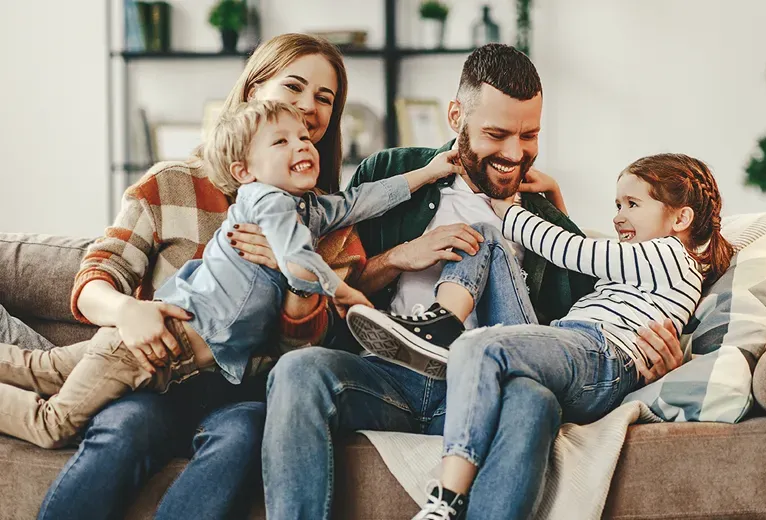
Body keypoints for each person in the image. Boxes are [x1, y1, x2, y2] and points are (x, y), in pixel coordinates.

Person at [261, 43, 689, 520]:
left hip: (486, 388)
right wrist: (399, 257)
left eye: (529, 135)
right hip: (390, 376)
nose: (514, 153)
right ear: (455, 116)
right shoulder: (390, 172)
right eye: (496, 133)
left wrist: (660, 358)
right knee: (299, 373)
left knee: (534, 399)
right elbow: (335, 283)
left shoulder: (544, 219)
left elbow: (587, 334)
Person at [28, 33, 361, 520]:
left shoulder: (326, 223)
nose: (309, 106)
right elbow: (96, 278)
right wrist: (128, 310)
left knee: (242, 438)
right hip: (154, 378)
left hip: (242, 391)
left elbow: (304, 358)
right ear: (253, 91)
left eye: (324, 98)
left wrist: (289, 269)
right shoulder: (171, 181)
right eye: (294, 87)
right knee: (123, 430)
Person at [0, 99, 461, 449]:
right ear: (245, 171)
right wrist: (345, 293)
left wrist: (428, 171)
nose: (302, 145)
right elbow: (297, 257)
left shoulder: (307, 207)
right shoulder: (267, 200)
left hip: (165, 357)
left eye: (305, 137)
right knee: (52, 425)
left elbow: (364, 199)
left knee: (41, 367)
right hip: (150, 345)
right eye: (281, 141)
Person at [393, 152, 733, 519]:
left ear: (682, 218)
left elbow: (574, 252)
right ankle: (442, 322)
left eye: (632, 204)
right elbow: (589, 264)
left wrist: (508, 209)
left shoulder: (669, 254)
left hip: (599, 354)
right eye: (617, 204)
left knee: (479, 345)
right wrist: (553, 194)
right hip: (569, 347)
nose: (618, 216)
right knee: (485, 240)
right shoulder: (643, 265)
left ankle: (445, 499)